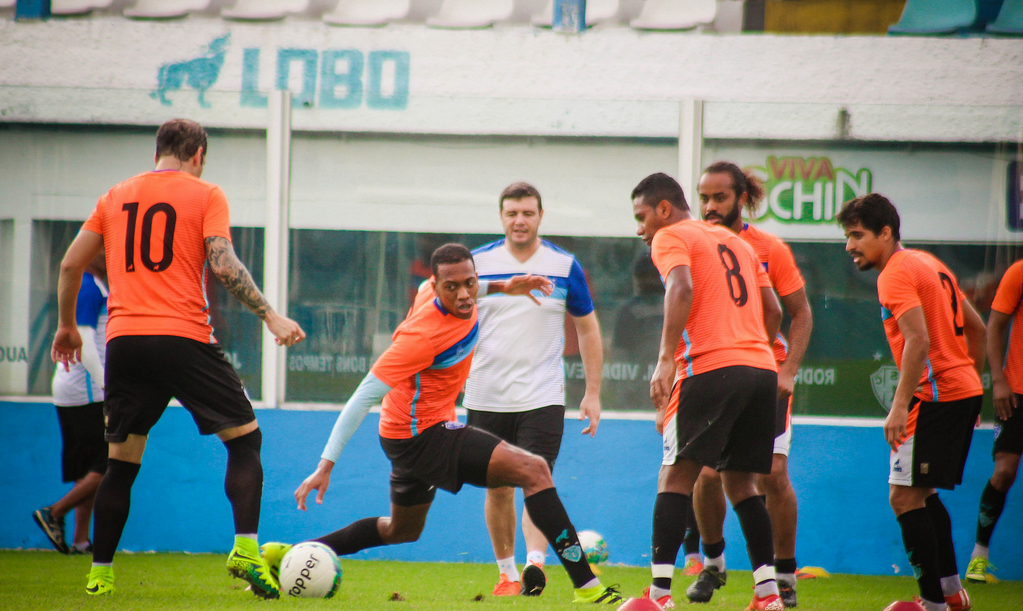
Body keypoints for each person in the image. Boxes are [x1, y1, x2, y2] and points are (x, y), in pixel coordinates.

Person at [284, 244, 623, 605]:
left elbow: (469, 289)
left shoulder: (456, 291)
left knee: (401, 529)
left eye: (470, 283)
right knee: (535, 470)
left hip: (406, 431)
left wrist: (508, 286)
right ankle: (588, 588)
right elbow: (362, 397)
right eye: (451, 287)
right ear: (434, 284)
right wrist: (325, 465)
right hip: (419, 434)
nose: (463, 294)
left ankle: (293, 556)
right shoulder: (422, 337)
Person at [50, 118, 305, 598]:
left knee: (121, 463)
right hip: (182, 336)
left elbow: (69, 263)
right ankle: (246, 550)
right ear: (199, 154)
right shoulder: (205, 193)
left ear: (156, 153)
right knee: (245, 440)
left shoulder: (114, 196)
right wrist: (269, 315)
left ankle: (100, 574)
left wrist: (66, 327)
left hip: (124, 341)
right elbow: (223, 262)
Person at [630, 173, 785, 611]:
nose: (640, 229)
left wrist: (665, 358)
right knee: (741, 483)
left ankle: (659, 596)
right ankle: (768, 594)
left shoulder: (671, 235)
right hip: (760, 370)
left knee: (675, 475)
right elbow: (773, 310)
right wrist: (751, 349)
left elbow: (681, 287)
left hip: (712, 368)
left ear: (663, 209)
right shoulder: (737, 242)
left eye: (641, 217)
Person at [837, 193, 984, 611]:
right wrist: (965, 378)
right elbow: (975, 326)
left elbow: (918, 339)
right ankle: (952, 594)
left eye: (858, 235)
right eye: (848, 236)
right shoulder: (928, 263)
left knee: (903, 498)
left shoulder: (894, 273)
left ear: (886, 233)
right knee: (922, 493)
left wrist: (900, 405)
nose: (850, 246)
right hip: (958, 391)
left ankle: (932, 603)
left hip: (934, 395)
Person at [464, 182, 604, 597]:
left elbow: (588, 327)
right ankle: (507, 574)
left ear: (540, 216)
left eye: (527, 213)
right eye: (512, 213)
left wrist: (592, 392)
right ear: (501, 217)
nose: (519, 220)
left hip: (542, 397)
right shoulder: (477, 262)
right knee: (498, 488)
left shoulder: (563, 265)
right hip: (485, 395)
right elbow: (450, 318)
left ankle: (534, 564)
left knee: (537, 482)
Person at [687, 162, 813, 607]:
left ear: (743, 197)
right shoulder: (697, 243)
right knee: (705, 474)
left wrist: (788, 369)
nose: (710, 206)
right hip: (716, 373)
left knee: (773, 473)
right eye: (703, 198)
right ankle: (714, 563)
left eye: (719, 197)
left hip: (763, 375)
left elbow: (798, 313)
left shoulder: (769, 248)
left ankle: (783, 577)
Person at [34, 252, 110, 555]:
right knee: (108, 466)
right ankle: (54, 512)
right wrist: (107, 384)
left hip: (78, 390)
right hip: (87, 391)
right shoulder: (88, 287)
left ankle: (80, 541)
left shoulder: (95, 286)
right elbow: (86, 343)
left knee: (88, 470)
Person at [965, 258, 1023, 583]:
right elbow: (994, 327)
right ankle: (979, 555)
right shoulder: (1018, 272)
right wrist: (998, 380)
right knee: (1003, 472)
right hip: (1016, 392)